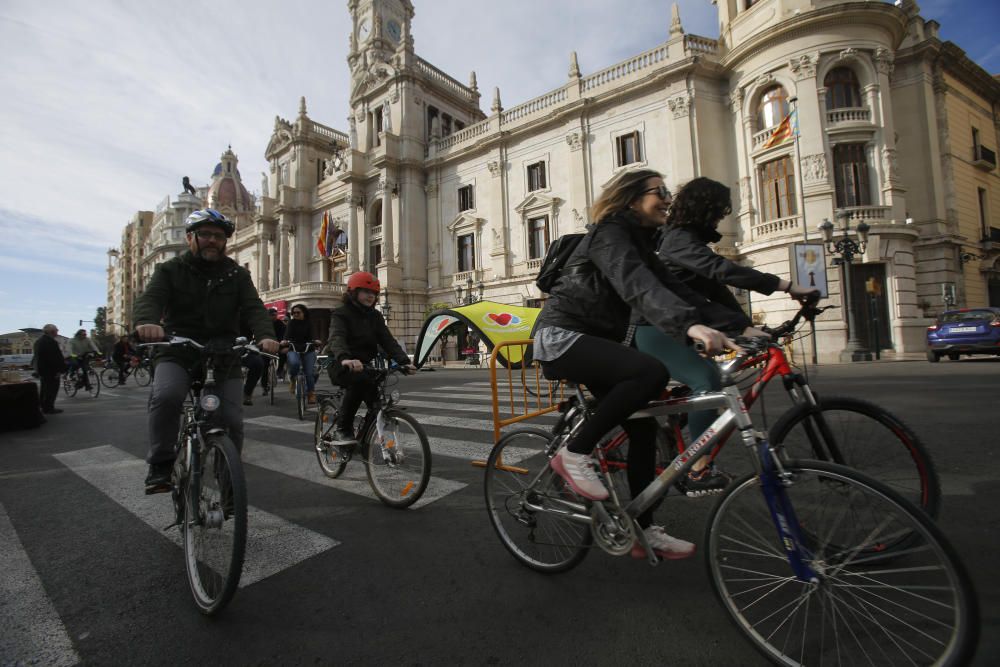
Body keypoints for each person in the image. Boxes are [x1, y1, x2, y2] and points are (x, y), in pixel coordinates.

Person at [530, 168, 746, 560]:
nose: (668, 198)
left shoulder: (643, 242)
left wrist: (743, 328)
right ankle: (574, 454)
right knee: (650, 372)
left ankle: (642, 528)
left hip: (598, 341)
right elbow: (636, 285)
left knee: (645, 428)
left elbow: (675, 289)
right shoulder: (608, 233)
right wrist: (689, 326)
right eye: (658, 191)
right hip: (561, 337)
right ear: (631, 198)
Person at [636, 176, 819, 495]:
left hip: (677, 324)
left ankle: (677, 426)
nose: (721, 217)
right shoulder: (677, 239)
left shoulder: (688, 241)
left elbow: (715, 290)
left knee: (717, 382)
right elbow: (721, 270)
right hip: (651, 326)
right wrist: (787, 286)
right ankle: (696, 469)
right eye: (719, 211)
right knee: (706, 381)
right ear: (705, 208)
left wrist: (747, 326)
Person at [133, 208, 279, 494]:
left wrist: (266, 335)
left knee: (232, 421)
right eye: (206, 235)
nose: (213, 240)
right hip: (178, 350)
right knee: (167, 397)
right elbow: (150, 299)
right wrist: (147, 322)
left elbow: (254, 309)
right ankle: (161, 465)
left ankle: (228, 483)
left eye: (219, 236)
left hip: (224, 354)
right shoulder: (170, 270)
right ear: (191, 238)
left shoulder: (236, 274)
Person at [324, 272, 416, 446]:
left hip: (363, 365)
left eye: (373, 293)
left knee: (376, 404)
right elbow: (337, 337)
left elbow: (387, 340)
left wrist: (404, 362)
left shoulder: (375, 316)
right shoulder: (341, 313)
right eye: (366, 291)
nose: (370, 296)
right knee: (358, 382)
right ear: (353, 291)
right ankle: (343, 429)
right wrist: (345, 358)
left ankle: (362, 442)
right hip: (339, 362)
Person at [283, 303, 322, 405]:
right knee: (294, 364)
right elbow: (287, 334)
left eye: (298, 312)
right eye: (294, 313)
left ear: (304, 312)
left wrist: (316, 340)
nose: (295, 314)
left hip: (308, 349)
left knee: (309, 373)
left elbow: (314, 334)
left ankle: (311, 394)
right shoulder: (291, 323)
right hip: (294, 348)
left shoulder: (309, 323)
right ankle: (292, 379)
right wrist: (285, 341)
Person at [33, 324, 66, 414]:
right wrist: (60, 370)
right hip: (51, 370)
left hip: (43, 369)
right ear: (52, 332)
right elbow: (55, 358)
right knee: (52, 389)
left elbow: (36, 357)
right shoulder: (51, 342)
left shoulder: (39, 341)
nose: (58, 331)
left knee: (45, 389)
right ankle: (49, 408)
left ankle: (44, 406)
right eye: (56, 330)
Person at [269, 307, 288, 382]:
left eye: (276, 315)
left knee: (283, 353)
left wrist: (282, 342)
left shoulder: (280, 323)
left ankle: (280, 370)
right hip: (268, 343)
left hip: (279, 343)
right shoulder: (265, 324)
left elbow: (284, 335)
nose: (275, 316)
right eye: (273, 315)